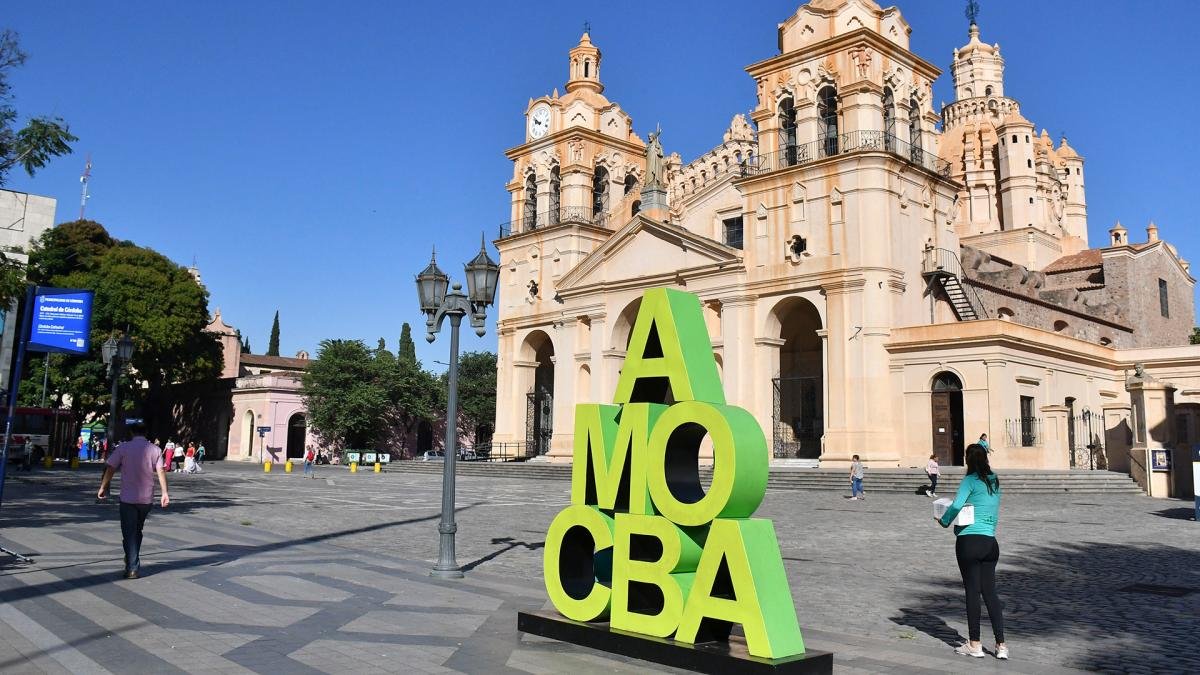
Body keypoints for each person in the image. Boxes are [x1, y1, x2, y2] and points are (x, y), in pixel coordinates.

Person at [937, 443, 1007, 660]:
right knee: (990, 593)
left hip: (969, 541)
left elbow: (957, 505)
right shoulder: (994, 480)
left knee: (972, 592)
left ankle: (974, 643)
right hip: (990, 542)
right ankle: (1001, 645)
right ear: (986, 458)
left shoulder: (970, 480)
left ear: (968, 460)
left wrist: (945, 520)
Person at [97, 421, 169, 579]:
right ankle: (131, 558)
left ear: (131, 433)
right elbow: (161, 472)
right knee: (137, 530)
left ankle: (132, 567)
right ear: (146, 433)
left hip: (128, 498)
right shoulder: (155, 450)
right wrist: (165, 493)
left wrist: (103, 486)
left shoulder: (123, 448)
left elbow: (110, 467)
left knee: (129, 533)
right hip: (146, 499)